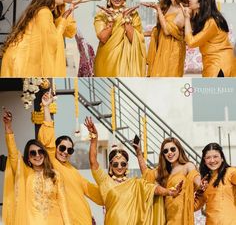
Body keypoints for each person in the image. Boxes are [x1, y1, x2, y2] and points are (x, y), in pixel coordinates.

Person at [84, 117, 183, 225]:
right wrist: (94, 139)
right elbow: (93, 161)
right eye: (116, 164)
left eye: (123, 164)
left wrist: (169, 191)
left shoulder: (135, 184)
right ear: (111, 166)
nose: (119, 166)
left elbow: (154, 189)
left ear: (127, 166)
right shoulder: (104, 181)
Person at [38, 92, 103, 225]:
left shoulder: (74, 171)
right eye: (62, 148)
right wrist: (46, 108)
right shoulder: (51, 161)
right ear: (55, 148)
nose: (65, 152)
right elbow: (47, 137)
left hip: (84, 220)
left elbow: (95, 193)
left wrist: (114, 188)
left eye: (70, 150)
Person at [2, 108, 71, 225]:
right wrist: (8, 127)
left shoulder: (55, 175)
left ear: (44, 154)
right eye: (33, 153)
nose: (37, 155)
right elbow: (13, 154)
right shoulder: (26, 173)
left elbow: (63, 203)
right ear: (28, 158)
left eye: (40, 151)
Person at [0, 0, 75, 77]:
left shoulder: (41, 10)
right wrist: (64, 19)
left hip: (20, 58)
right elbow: (52, 41)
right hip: (21, 61)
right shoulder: (44, 12)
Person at [135, 137, 201, 225]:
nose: (169, 153)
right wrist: (139, 153)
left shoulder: (187, 166)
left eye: (173, 149)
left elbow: (196, 178)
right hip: (166, 217)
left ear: (179, 150)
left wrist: (201, 184)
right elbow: (147, 175)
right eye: (165, 151)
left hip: (181, 218)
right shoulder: (163, 171)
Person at [94, 0, 146, 77]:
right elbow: (103, 38)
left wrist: (126, 19)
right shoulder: (102, 14)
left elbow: (134, 39)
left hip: (127, 60)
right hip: (107, 59)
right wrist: (111, 20)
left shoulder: (133, 14)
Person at [181, 0, 235, 77]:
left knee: (213, 91)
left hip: (219, 64)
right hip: (214, 62)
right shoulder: (205, 20)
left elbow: (191, 42)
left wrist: (186, 18)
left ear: (200, 3)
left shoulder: (211, 22)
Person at [143, 0, 189, 77]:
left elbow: (168, 30)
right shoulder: (167, 6)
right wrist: (141, 34)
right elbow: (160, 30)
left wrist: (158, 9)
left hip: (173, 51)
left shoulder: (184, 9)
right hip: (161, 48)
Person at [54, 0, 95, 76]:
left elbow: (70, 32)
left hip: (58, 51)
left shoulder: (62, 8)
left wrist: (71, 8)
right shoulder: (52, 10)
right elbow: (66, 30)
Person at [194, 143, 236, 224]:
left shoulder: (230, 172)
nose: (212, 160)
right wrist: (198, 190)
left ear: (222, 158)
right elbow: (194, 206)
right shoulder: (205, 181)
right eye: (208, 157)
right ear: (204, 161)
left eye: (215, 156)